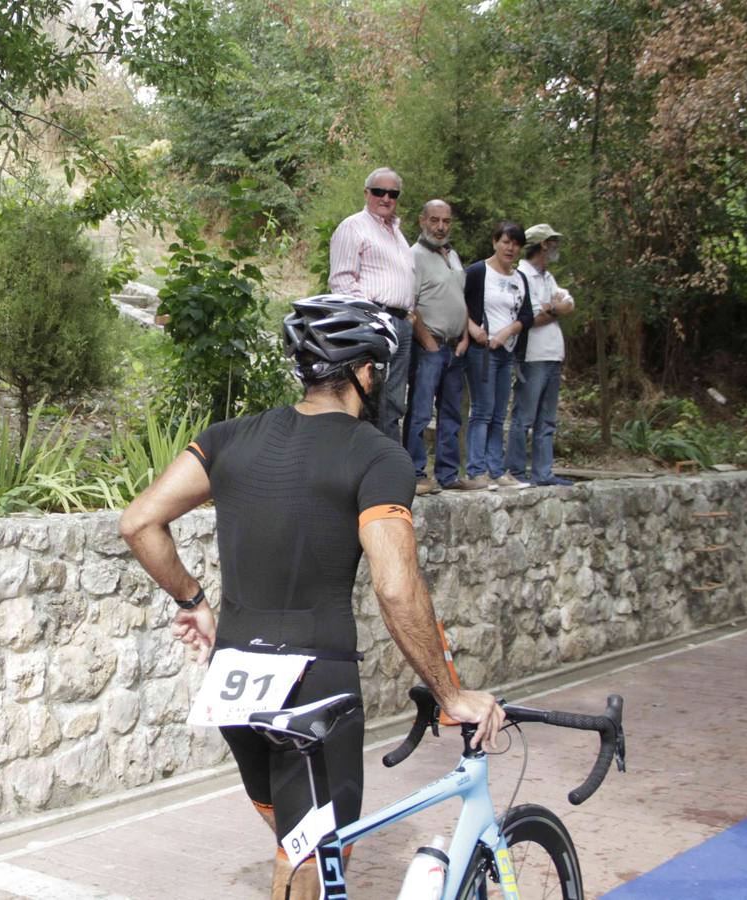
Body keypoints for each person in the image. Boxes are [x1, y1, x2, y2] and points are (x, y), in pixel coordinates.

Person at [119, 297, 505, 900]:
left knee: (298, 844)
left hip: (235, 683)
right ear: (367, 372)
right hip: (313, 684)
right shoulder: (378, 456)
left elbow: (140, 521)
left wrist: (193, 599)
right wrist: (450, 694)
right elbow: (397, 585)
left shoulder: (227, 438)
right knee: (308, 861)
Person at [328, 167, 416, 441]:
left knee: (394, 401)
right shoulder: (354, 226)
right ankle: (363, 468)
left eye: (393, 193)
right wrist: (372, 321)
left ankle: (388, 467)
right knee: (368, 396)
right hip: (373, 321)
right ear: (366, 193)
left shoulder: (397, 234)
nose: (386, 198)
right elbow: (342, 281)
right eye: (379, 191)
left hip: (401, 323)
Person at [404, 200, 481, 494]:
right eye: (434, 220)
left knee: (451, 414)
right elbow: (410, 305)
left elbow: (457, 299)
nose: (440, 227)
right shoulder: (413, 256)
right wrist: (428, 342)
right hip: (430, 347)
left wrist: (464, 337)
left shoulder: (453, 255)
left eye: (446, 221)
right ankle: (415, 474)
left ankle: (449, 475)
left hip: (455, 348)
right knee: (421, 412)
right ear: (422, 220)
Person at [462, 222, 534, 489]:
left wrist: (508, 332)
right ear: (495, 242)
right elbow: (458, 303)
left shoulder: (519, 278)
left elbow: (526, 315)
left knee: (498, 413)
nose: (510, 248)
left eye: (516, 244)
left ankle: (496, 469)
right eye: (506, 242)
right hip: (482, 352)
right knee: (482, 411)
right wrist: (473, 330)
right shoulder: (478, 272)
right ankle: (476, 471)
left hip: (507, 352)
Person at [505, 224, 575, 487]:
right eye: (551, 243)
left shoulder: (548, 277)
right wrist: (555, 308)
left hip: (553, 355)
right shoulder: (522, 276)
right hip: (532, 355)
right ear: (541, 245)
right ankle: (516, 471)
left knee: (546, 420)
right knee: (524, 417)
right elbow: (531, 318)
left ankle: (543, 473)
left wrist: (553, 308)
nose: (555, 247)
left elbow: (569, 303)